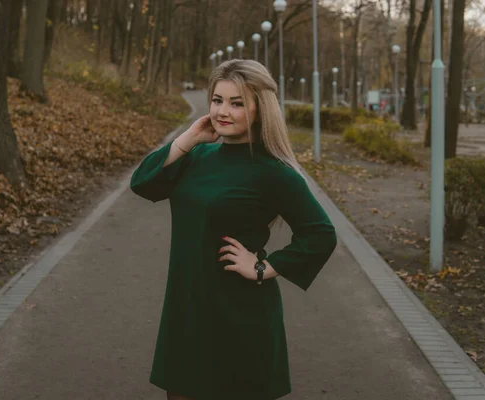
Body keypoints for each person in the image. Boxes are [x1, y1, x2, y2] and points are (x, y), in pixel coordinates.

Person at [130, 59, 337, 400]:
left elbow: (321, 233)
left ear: (260, 109)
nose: (222, 111)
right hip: (187, 310)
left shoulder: (275, 172)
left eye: (237, 103)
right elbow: (143, 184)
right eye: (217, 100)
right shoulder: (198, 157)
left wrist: (264, 267)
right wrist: (188, 138)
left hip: (239, 317)